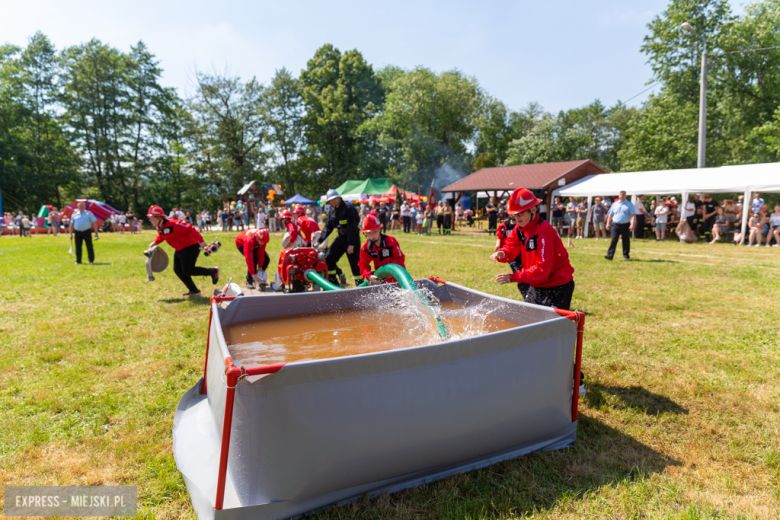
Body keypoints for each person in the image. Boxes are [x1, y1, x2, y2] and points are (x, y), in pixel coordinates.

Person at [490, 187, 575, 310]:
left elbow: (542, 269)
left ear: (533, 210)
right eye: (515, 215)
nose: (517, 218)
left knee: (550, 327)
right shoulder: (519, 229)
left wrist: (513, 277)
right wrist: (502, 252)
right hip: (537, 284)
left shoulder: (544, 232)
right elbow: (511, 245)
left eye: (520, 214)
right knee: (528, 318)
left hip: (557, 286)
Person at [147, 205, 219, 296]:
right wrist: (154, 242)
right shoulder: (160, 226)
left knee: (187, 270)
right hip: (179, 249)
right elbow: (161, 235)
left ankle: (213, 271)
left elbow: (190, 228)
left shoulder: (173, 224)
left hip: (190, 247)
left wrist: (201, 241)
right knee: (178, 270)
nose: (150, 220)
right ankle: (194, 290)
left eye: (151, 218)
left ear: (159, 217)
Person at [315, 189, 362, 286]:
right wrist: (319, 241)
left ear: (339, 198)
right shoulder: (332, 210)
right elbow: (328, 227)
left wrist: (351, 244)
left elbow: (353, 227)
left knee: (355, 263)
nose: (333, 201)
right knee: (329, 258)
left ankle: (360, 284)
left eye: (335, 198)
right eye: (331, 200)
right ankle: (333, 282)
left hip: (352, 237)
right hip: (341, 237)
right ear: (329, 202)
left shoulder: (349, 208)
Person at [358, 215, 406, 285]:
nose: (372, 235)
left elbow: (399, 258)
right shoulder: (366, 248)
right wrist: (368, 275)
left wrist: (390, 271)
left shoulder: (391, 242)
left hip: (398, 279)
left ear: (380, 229)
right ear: (365, 233)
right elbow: (363, 264)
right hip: (381, 282)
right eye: (369, 233)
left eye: (375, 231)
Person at [494, 213, 530, 299]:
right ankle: (527, 298)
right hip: (512, 256)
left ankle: (531, 296)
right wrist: (498, 247)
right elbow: (500, 238)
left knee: (527, 274)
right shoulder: (504, 225)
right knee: (518, 273)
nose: (515, 216)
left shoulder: (523, 226)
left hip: (524, 254)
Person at [605, 191, 636, 261]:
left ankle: (626, 255)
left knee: (626, 240)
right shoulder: (615, 204)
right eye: (620, 194)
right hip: (615, 225)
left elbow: (633, 215)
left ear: (626, 196)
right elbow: (610, 214)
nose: (621, 196)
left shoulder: (629, 204)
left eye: (623, 194)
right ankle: (610, 255)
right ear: (618, 196)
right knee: (614, 239)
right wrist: (607, 224)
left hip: (625, 225)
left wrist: (632, 224)